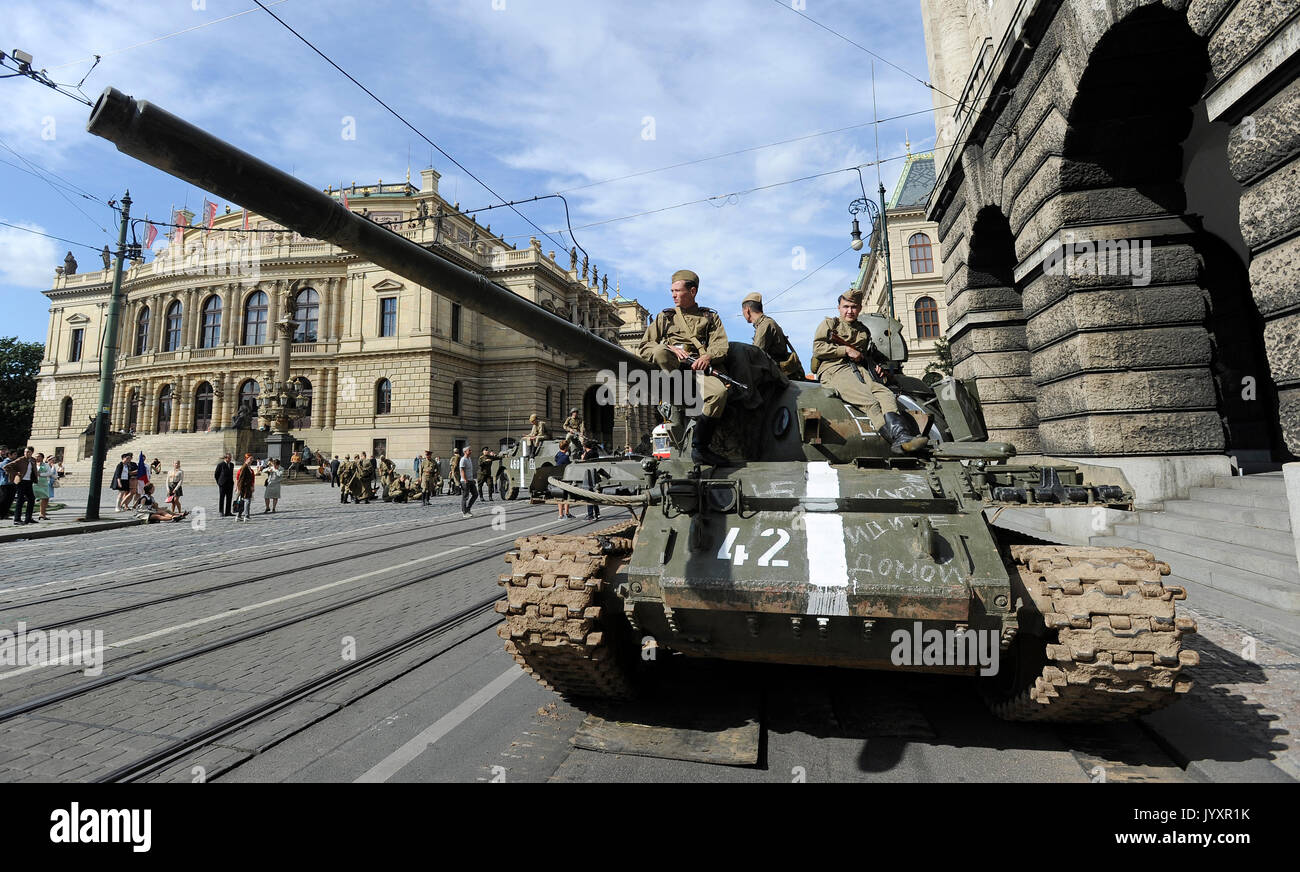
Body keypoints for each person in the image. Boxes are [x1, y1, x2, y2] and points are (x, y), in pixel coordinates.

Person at [811, 290, 928, 454]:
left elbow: (866, 355)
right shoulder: (830, 324)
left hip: (858, 369)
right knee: (869, 401)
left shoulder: (863, 331)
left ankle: (902, 436)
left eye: (854, 307)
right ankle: (897, 442)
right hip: (834, 369)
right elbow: (818, 348)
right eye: (846, 307)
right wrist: (845, 350)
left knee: (885, 394)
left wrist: (876, 366)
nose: (849, 311)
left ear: (859, 309)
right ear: (839, 308)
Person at [638, 268, 731, 465]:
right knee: (660, 352)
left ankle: (700, 446)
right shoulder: (665, 317)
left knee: (719, 393)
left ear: (693, 291)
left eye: (678, 291)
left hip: (698, 371)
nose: (673, 295)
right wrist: (669, 348)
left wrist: (707, 356)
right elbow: (645, 346)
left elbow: (721, 346)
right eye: (672, 291)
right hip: (672, 372)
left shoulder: (709, 317)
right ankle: (675, 391)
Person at [742, 292, 804, 379]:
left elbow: (756, 354)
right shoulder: (766, 323)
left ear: (747, 310)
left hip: (778, 376)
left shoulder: (765, 325)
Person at [6, 447, 38, 526]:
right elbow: (6, 467)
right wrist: (16, 473)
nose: (26, 453)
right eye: (25, 452)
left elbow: (33, 470)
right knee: (20, 500)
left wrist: (35, 477)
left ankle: (28, 518)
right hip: (21, 482)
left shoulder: (33, 460)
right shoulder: (21, 459)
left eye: (28, 452)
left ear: (32, 453)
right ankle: (17, 519)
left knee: (31, 499)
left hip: (29, 482)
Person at [581, 441, 601, 520]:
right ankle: (597, 513)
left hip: (588, 476)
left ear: (585, 447)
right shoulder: (595, 452)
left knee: (589, 495)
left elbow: (584, 463)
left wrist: (583, 457)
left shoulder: (588, 454)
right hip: (595, 475)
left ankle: (590, 515)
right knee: (594, 495)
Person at [235, 454, 257, 522]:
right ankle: (246, 516)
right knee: (247, 501)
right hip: (245, 487)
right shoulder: (244, 467)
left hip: (247, 487)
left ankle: (238, 516)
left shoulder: (248, 467)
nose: (252, 460)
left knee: (242, 502)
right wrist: (239, 488)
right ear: (246, 459)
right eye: (250, 459)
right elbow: (240, 478)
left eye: (252, 459)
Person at [553, 444, 572, 519]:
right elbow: (568, 466)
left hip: (557, 476)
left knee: (560, 495)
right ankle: (567, 513)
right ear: (566, 447)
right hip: (564, 477)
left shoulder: (557, 454)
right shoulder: (565, 457)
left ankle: (560, 514)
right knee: (566, 495)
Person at [34, 452, 54, 521]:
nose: (37, 458)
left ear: (42, 458)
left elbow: (50, 473)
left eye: (39, 456)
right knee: (31, 499)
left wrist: (41, 474)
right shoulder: (33, 465)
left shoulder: (46, 465)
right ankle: (29, 515)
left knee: (45, 498)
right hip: (34, 484)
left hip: (43, 483)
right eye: (36, 456)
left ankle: (42, 514)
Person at [458, 447, 477, 517]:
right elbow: (462, 470)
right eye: (469, 450)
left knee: (475, 494)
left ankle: (468, 509)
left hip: (470, 480)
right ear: (465, 452)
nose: (471, 451)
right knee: (465, 497)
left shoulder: (469, 459)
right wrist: (465, 479)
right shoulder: (463, 460)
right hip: (465, 481)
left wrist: (472, 479)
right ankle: (464, 512)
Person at [0, 447, 15, 521]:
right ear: (9, 455)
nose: (15, 456)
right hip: (5, 483)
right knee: (4, 499)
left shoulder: (13, 462)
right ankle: (2, 514)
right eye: (14, 454)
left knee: (9, 499)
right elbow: (7, 471)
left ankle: (5, 514)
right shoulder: (5, 462)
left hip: (11, 483)